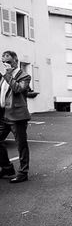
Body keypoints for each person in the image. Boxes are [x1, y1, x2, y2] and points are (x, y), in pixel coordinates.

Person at [0, 51, 31, 183]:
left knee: (21, 145)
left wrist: (7, 75)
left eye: (8, 61)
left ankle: (23, 172)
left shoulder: (25, 76)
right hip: (3, 115)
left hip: (17, 116)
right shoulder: (4, 76)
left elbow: (18, 89)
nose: (6, 64)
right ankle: (7, 167)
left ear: (16, 61)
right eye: (3, 62)